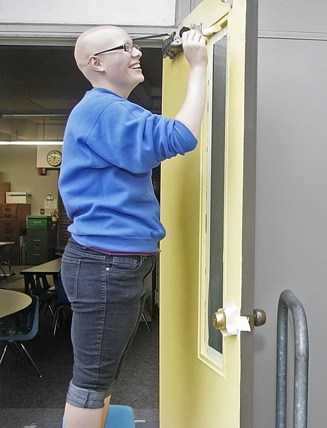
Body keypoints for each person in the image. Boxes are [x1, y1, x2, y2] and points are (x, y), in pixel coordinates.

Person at [58, 25, 207, 428]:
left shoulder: (113, 110)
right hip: (104, 264)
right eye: (124, 47)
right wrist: (199, 66)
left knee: (100, 376)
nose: (136, 52)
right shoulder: (103, 110)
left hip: (107, 263)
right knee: (91, 381)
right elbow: (181, 136)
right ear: (97, 62)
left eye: (134, 44)